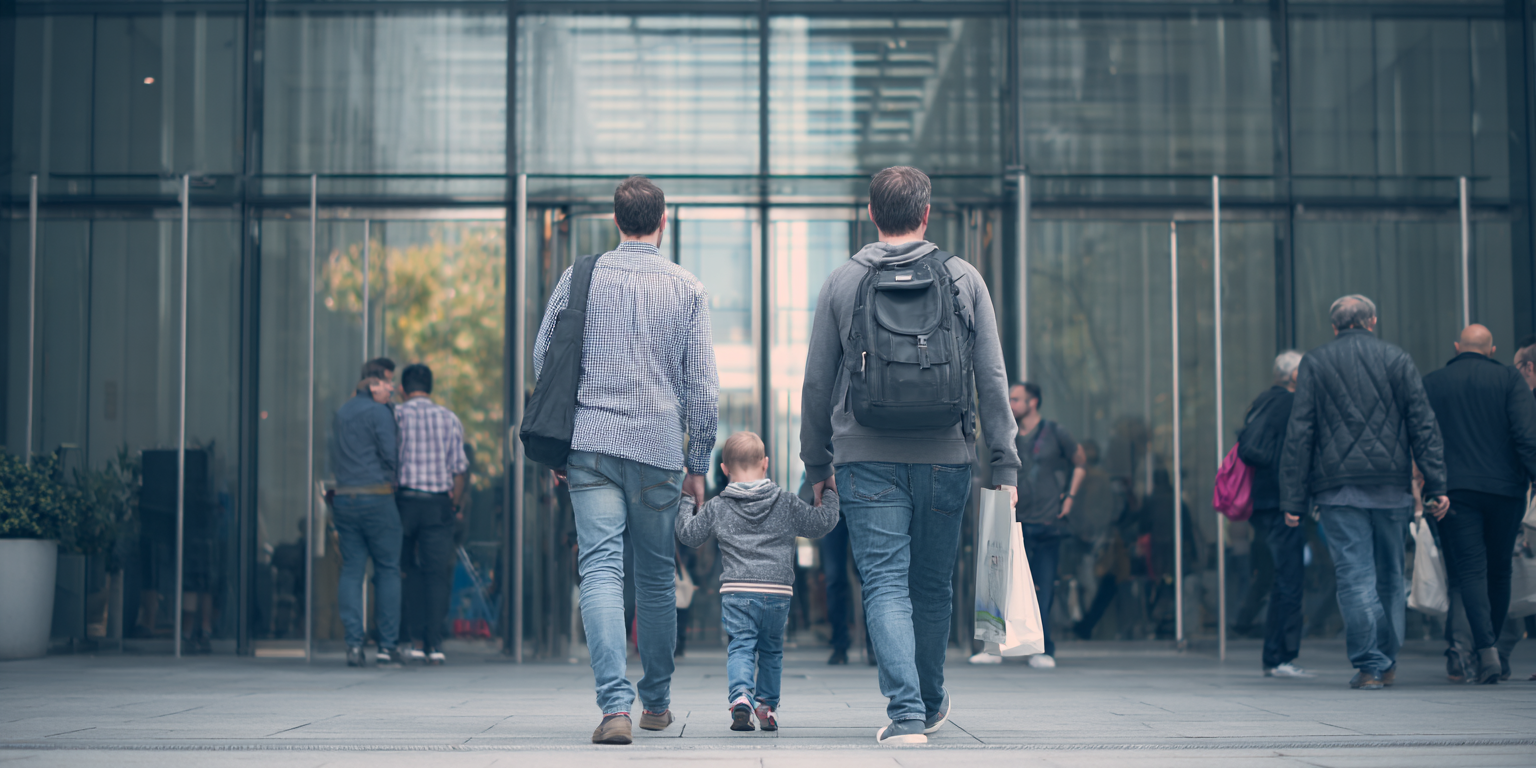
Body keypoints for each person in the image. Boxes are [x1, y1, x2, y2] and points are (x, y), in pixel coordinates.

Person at [799, 166, 1020, 745]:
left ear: (872, 214)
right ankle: (930, 697)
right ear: (927, 213)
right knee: (930, 585)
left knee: (885, 585)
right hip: (947, 457)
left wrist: (815, 464)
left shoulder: (844, 280)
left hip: (863, 456)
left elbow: (817, 384)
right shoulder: (962, 277)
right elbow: (992, 378)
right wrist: (1005, 463)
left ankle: (905, 715)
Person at [532, 176, 718, 745]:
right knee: (657, 575)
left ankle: (614, 708)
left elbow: (545, 355)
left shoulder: (579, 277)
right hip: (659, 451)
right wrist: (698, 461)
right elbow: (703, 387)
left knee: (601, 569)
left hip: (590, 446)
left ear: (616, 221)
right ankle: (656, 703)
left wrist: (562, 438)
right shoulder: (687, 287)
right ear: (663, 221)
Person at [1279, 294, 1448, 690]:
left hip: (1337, 491)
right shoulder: (1398, 359)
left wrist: (1293, 499)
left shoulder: (1316, 363)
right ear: (1372, 321)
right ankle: (1386, 661)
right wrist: (1437, 484)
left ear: (1334, 326)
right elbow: (1424, 425)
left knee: (1355, 576)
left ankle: (1370, 664)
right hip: (1391, 488)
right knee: (1390, 575)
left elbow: (1299, 433)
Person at [675, 432, 840, 733]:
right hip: (778, 593)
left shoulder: (717, 506)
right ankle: (766, 707)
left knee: (741, 646)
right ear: (766, 464)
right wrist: (828, 492)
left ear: (724, 470)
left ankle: (740, 696)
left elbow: (688, 534)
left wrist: (687, 499)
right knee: (772, 650)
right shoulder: (786, 502)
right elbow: (822, 523)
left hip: (737, 592)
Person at [1421, 325, 1536, 684]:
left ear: (1457, 347)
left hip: (1455, 492)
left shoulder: (1433, 382)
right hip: (1505, 491)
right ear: (1492, 349)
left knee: (1469, 570)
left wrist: (1433, 488)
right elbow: (1525, 435)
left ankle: (1484, 652)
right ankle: (1493, 653)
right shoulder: (1509, 379)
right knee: (1499, 569)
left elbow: (1424, 439)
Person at [971, 382, 1085, 668]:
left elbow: (1080, 462)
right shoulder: (1004, 431)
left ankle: (1042, 647)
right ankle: (993, 646)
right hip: (1009, 519)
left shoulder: (1055, 432)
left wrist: (1069, 498)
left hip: (1047, 521)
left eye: (1016, 399)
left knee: (1043, 586)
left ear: (1033, 402)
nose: (1010, 404)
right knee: (997, 583)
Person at [1236, 350, 1313, 678]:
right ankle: (1280, 656)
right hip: (1284, 504)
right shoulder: (1291, 405)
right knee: (1289, 578)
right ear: (1295, 376)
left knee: (1276, 576)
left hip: (1262, 503)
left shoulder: (1261, 402)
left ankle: (1275, 656)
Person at [393, 363, 469, 666]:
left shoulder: (395, 415)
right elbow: (459, 470)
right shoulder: (449, 419)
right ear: (430, 387)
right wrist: (454, 503)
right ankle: (435, 644)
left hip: (403, 503)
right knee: (437, 574)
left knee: (406, 570)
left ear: (403, 388)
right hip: (438, 504)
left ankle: (414, 639)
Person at [329, 375, 405, 668]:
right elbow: (391, 453)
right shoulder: (378, 412)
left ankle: (353, 646)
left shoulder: (343, 411)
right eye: (388, 384)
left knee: (351, 570)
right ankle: (387, 646)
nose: (392, 390)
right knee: (387, 570)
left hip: (345, 498)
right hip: (376, 496)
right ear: (373, 386)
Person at [1497, 335, 1536, 680]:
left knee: (1514, 575)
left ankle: (1501, 655)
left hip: (1526, 506)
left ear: (1527, 368)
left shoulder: (1522, 402)